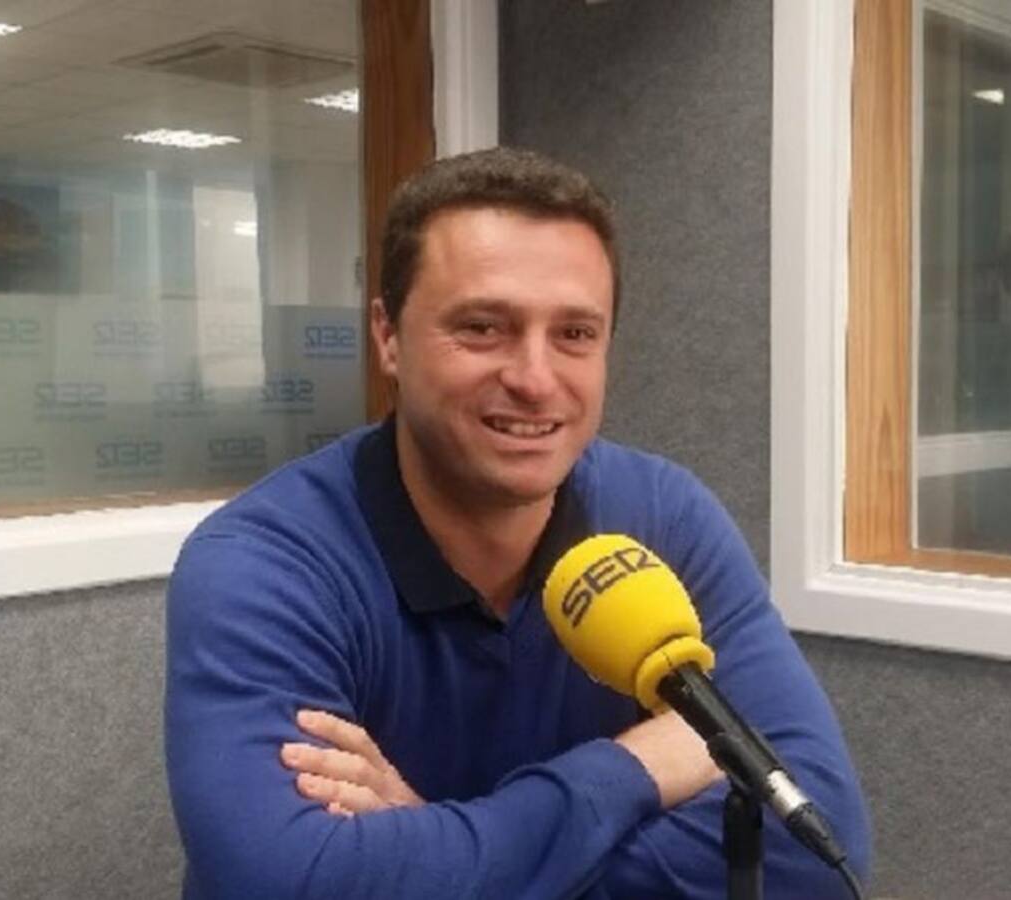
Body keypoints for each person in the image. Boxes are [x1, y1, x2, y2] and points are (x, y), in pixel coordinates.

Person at [165, 147, 871, 898]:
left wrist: (432, 845)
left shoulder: (667, 520)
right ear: (388, 336)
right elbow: (285, 882)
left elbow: (816, 846)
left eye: (575, 334)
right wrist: (634, 768)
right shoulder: (262, 564)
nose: (535, 379)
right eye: (482, 327)